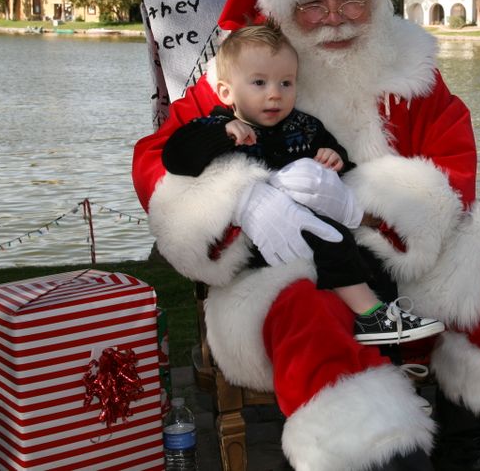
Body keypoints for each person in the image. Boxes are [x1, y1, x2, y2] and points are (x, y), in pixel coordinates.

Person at [133, 0, 480, 471]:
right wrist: (242, 199)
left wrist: (360, 203)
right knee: (309, 311)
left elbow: (453, 164)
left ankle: (467, 448)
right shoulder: (250, 71)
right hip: (295, 266)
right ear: (282, 9)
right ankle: (376, 458)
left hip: (406, 255)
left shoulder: (410, 69)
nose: (335, 17)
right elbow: (157, 158)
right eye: (313, 3)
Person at [161, 20, 445, 346]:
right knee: (334, 239)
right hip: (260, 241)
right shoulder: (215, 125)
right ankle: (371, 316)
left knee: (368, 255)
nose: (274, 94)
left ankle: (388, 338)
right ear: (226, 91)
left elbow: (338, 163)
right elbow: (176, 156)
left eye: (286, 83)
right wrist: (221, 135)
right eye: (259, 83)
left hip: (309, 223)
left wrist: (333, 156)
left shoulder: (303, 126)